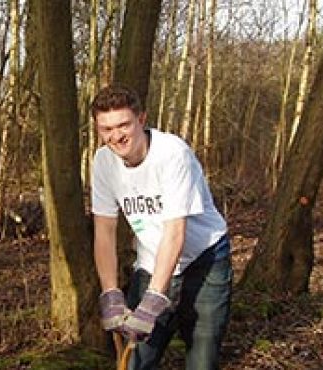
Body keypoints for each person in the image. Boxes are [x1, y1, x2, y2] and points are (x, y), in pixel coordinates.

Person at [90, 84, 232, 369]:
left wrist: (154, 299)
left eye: (123, 125)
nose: (116, 136)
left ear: (141, 119)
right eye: (106, 129)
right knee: (135, 360)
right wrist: (111, 293)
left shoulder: (172, 154)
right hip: (152, 261)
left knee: (202, 360)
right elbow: (104, 230)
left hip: (204, 259)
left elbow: (174, 232)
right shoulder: (103, 162)